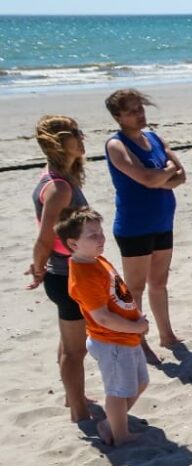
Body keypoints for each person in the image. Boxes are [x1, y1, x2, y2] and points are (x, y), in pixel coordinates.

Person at [103, 88, 184, 365]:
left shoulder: (153, 137)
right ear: (118, 117)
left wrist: (162, 175)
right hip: (135, 225)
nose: (139, 115)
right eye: (132, 111)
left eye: (140, 109)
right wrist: (163, 174)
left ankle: (166, 334)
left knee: (159, 283)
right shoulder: (117, 145)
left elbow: (180, 175)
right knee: (134, 288)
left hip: (162, 220)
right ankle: (137, 340)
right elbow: (147, 179)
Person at [61, 208, 150, 446]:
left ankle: (110, 423)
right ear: (73, 243)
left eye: (100, 232)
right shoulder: (83, 275)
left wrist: (137, 319)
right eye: (92, 236)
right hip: (112, 341)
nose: (100, 238)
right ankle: (120, 436)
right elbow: (102, 318)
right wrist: (136, 328)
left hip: (126, 337)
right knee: (118, 391)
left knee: (140, 382)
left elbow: (120, 293)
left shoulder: (96, 260)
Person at [29, 115, 92, 422]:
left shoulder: (61, 178)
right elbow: (44, 238)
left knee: (69, 343)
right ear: (57, 143)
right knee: (74, 351)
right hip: (66, 276)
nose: (82, 137)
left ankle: (72, 397)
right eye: (75, 134)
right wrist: (39, 269)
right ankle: (78, 411)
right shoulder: (59, 188)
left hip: (67, 272)